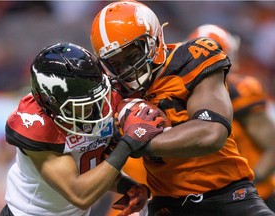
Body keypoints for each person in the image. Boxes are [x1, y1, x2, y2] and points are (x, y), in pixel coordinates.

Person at [90, 1, 275, 215]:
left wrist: (137, 141)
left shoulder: (192, 59)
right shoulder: (113, 93)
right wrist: (127, 184)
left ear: (154, 39)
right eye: (116, 63)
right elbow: (93, 158)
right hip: (168, 205)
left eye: (131, 55)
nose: (127, 68)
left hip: (227, 195)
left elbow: (212, 133)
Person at [0, 42, 165, 216]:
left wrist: (127, 186)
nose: (95, 106)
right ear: (52, 102)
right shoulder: (36, 123)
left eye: (98, 96)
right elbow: (79, 194)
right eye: (83, 103)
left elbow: (88, 165)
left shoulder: (105, 98)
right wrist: (128, 143)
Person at [188, 23, 275, 212]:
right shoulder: (183, 95)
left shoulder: (240, 92)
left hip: (255, 197)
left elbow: (272, 145)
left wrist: (249, 185)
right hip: (216, 197)